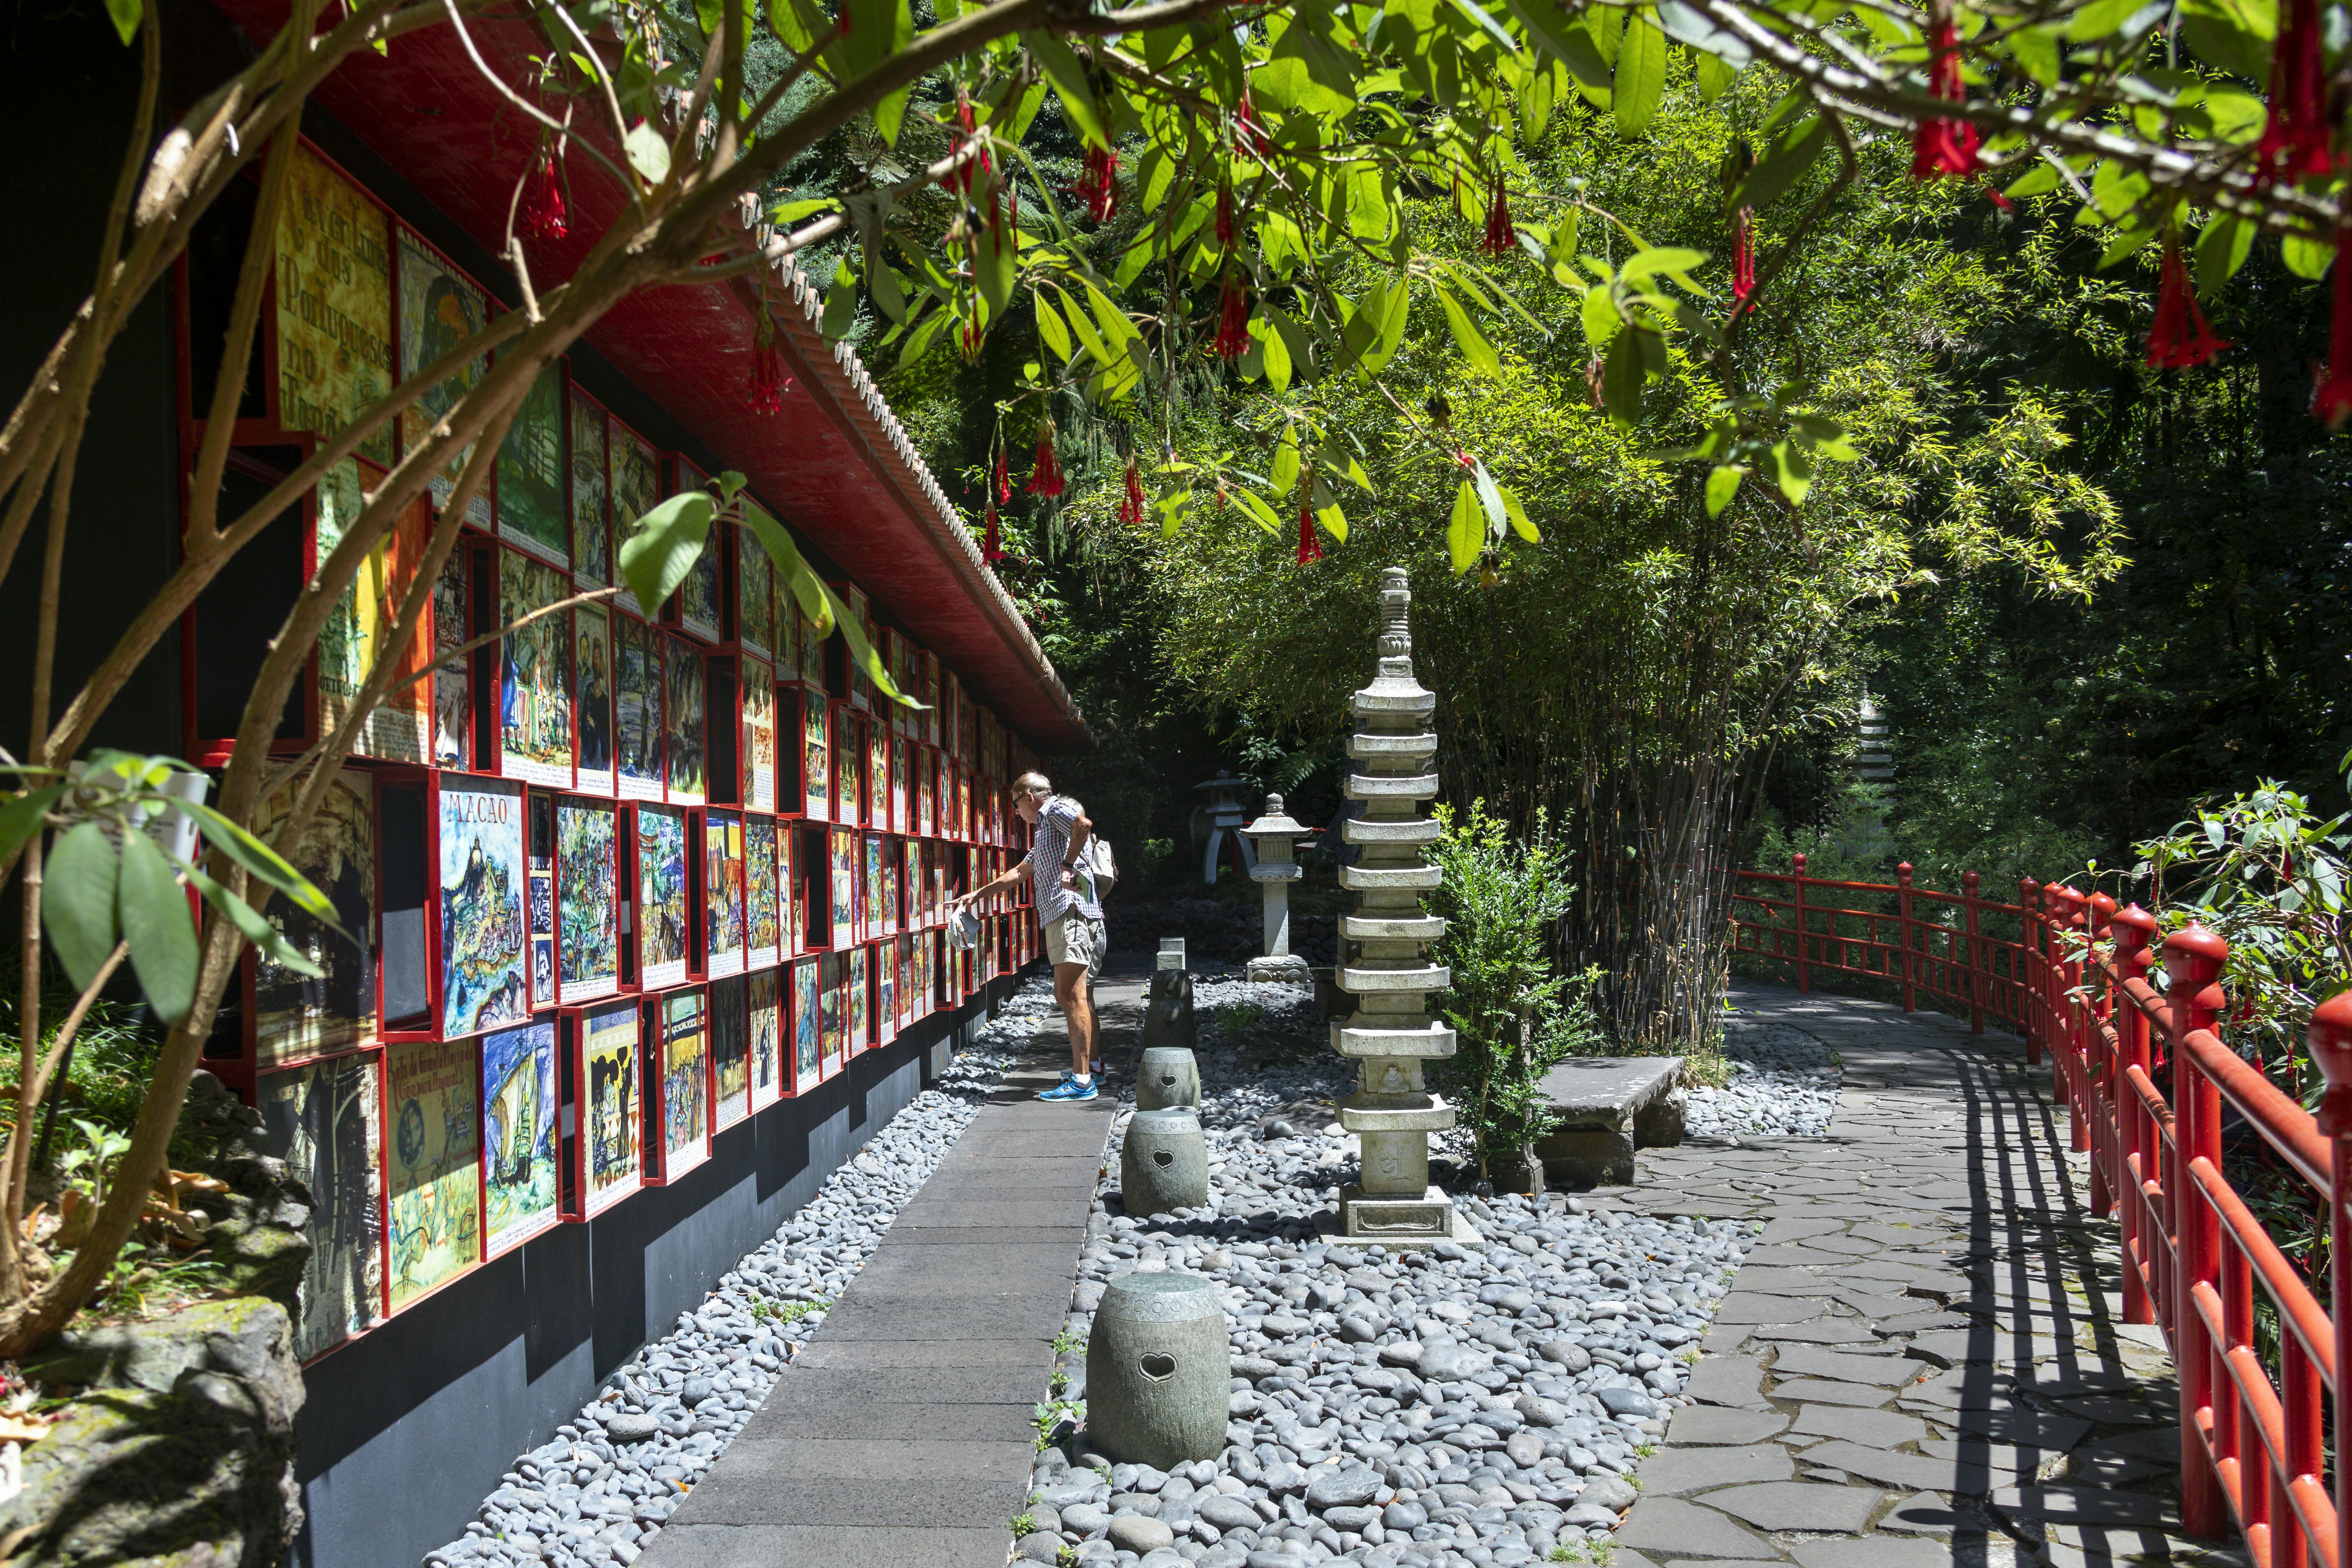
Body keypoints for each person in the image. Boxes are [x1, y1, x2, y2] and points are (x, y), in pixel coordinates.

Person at [953, 771, 1105, 1101]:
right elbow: (1019, 873)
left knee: (1069, 996)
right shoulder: (1044, 832)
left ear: (1028, 796)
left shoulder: (1051, 810)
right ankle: (1092, 1068)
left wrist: (1066, 865)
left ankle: (1082, 1083)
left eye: (1015, 803)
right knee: (1080, 996)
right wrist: (976, 895)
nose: (1016, 811)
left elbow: (1084, 823)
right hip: (1072, 914)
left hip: (1069, 913)